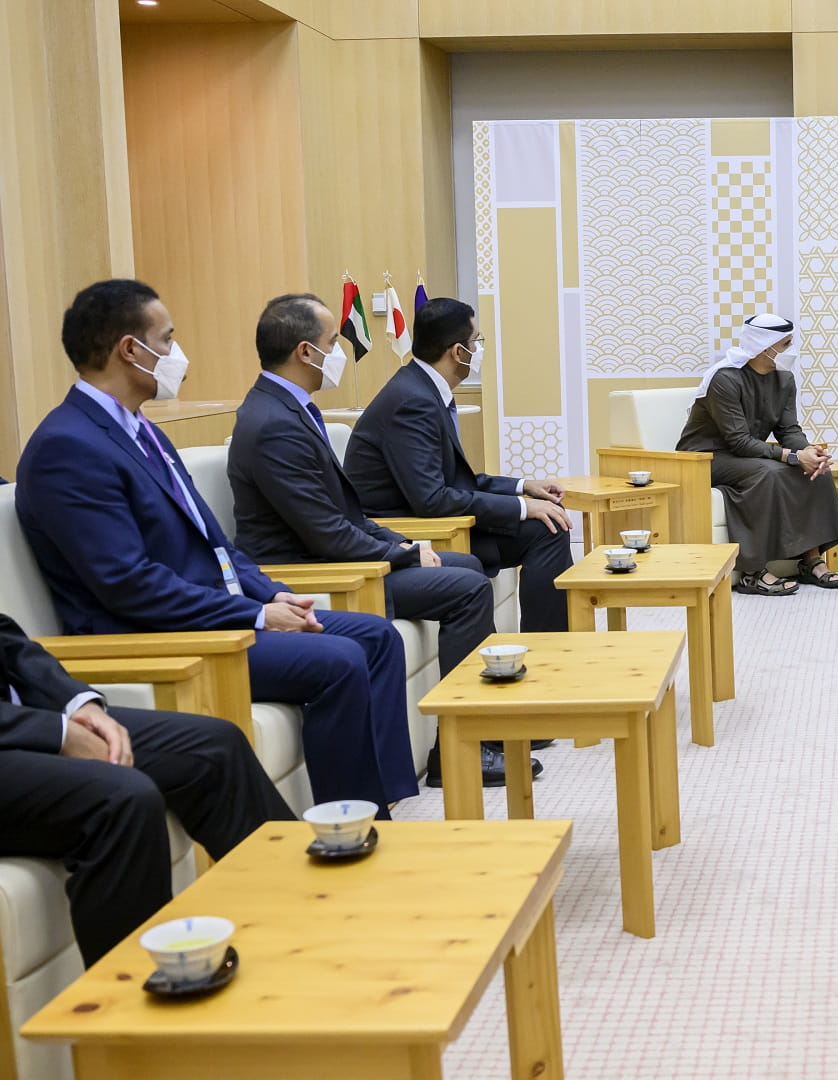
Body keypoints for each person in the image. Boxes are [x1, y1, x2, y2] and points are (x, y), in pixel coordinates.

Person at [15, 279, 417, 811]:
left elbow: (217, 545)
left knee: (375, 636)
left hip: (219, 613)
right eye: (167, 339)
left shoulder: (141, 430)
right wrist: (252, 617)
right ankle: (348, 823)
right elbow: (130, 586)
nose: (176, 354)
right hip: (161, 638)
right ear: (130, 350)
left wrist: (271, 596)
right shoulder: (68, 446)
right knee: (340, 658)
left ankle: (381, 808)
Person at [229, 294, 530, 789]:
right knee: (466, 585)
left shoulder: (290, 409)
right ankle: (463, 749)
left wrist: (401, 543)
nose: (340, 352)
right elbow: (325, 532)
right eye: (333, 343)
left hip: (337, 558)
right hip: (313, 573)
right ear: (306, 352)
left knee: (467, 569)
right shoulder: (272, 425)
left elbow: (345, 513)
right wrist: (402, 551)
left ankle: (474, 738)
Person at [0, 612, 294, 964]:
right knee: (121, 799)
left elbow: (6, 639)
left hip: (22, 717)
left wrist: (79, 705)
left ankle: (302, 914)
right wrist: (56, 734)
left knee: (215, 745)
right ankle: (134, 998)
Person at [345, 298, 575, 632]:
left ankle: (549, 646)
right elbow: (432, 499)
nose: (479, 350)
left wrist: (522, 487)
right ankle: (547, 649)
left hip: (435, 518)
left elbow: (453, 480)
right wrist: (521, 508)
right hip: (409, 529)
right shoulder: (412, 402)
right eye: (476, 342)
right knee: (545, 526)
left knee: (549, 524)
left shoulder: (423, 389)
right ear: (457, 352)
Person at [677, 314, 838, 595]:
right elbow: (739, 441)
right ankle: (752, 572)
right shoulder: (725, 379)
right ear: (763, 346)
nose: (790, 351)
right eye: (785, 344)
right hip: (705, 458)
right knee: (768, 474)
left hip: (746, 455)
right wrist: (792, 457)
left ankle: (811, 559)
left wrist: (807, 452)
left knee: (813, 473)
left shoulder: (784, 379)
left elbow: (788, 429)